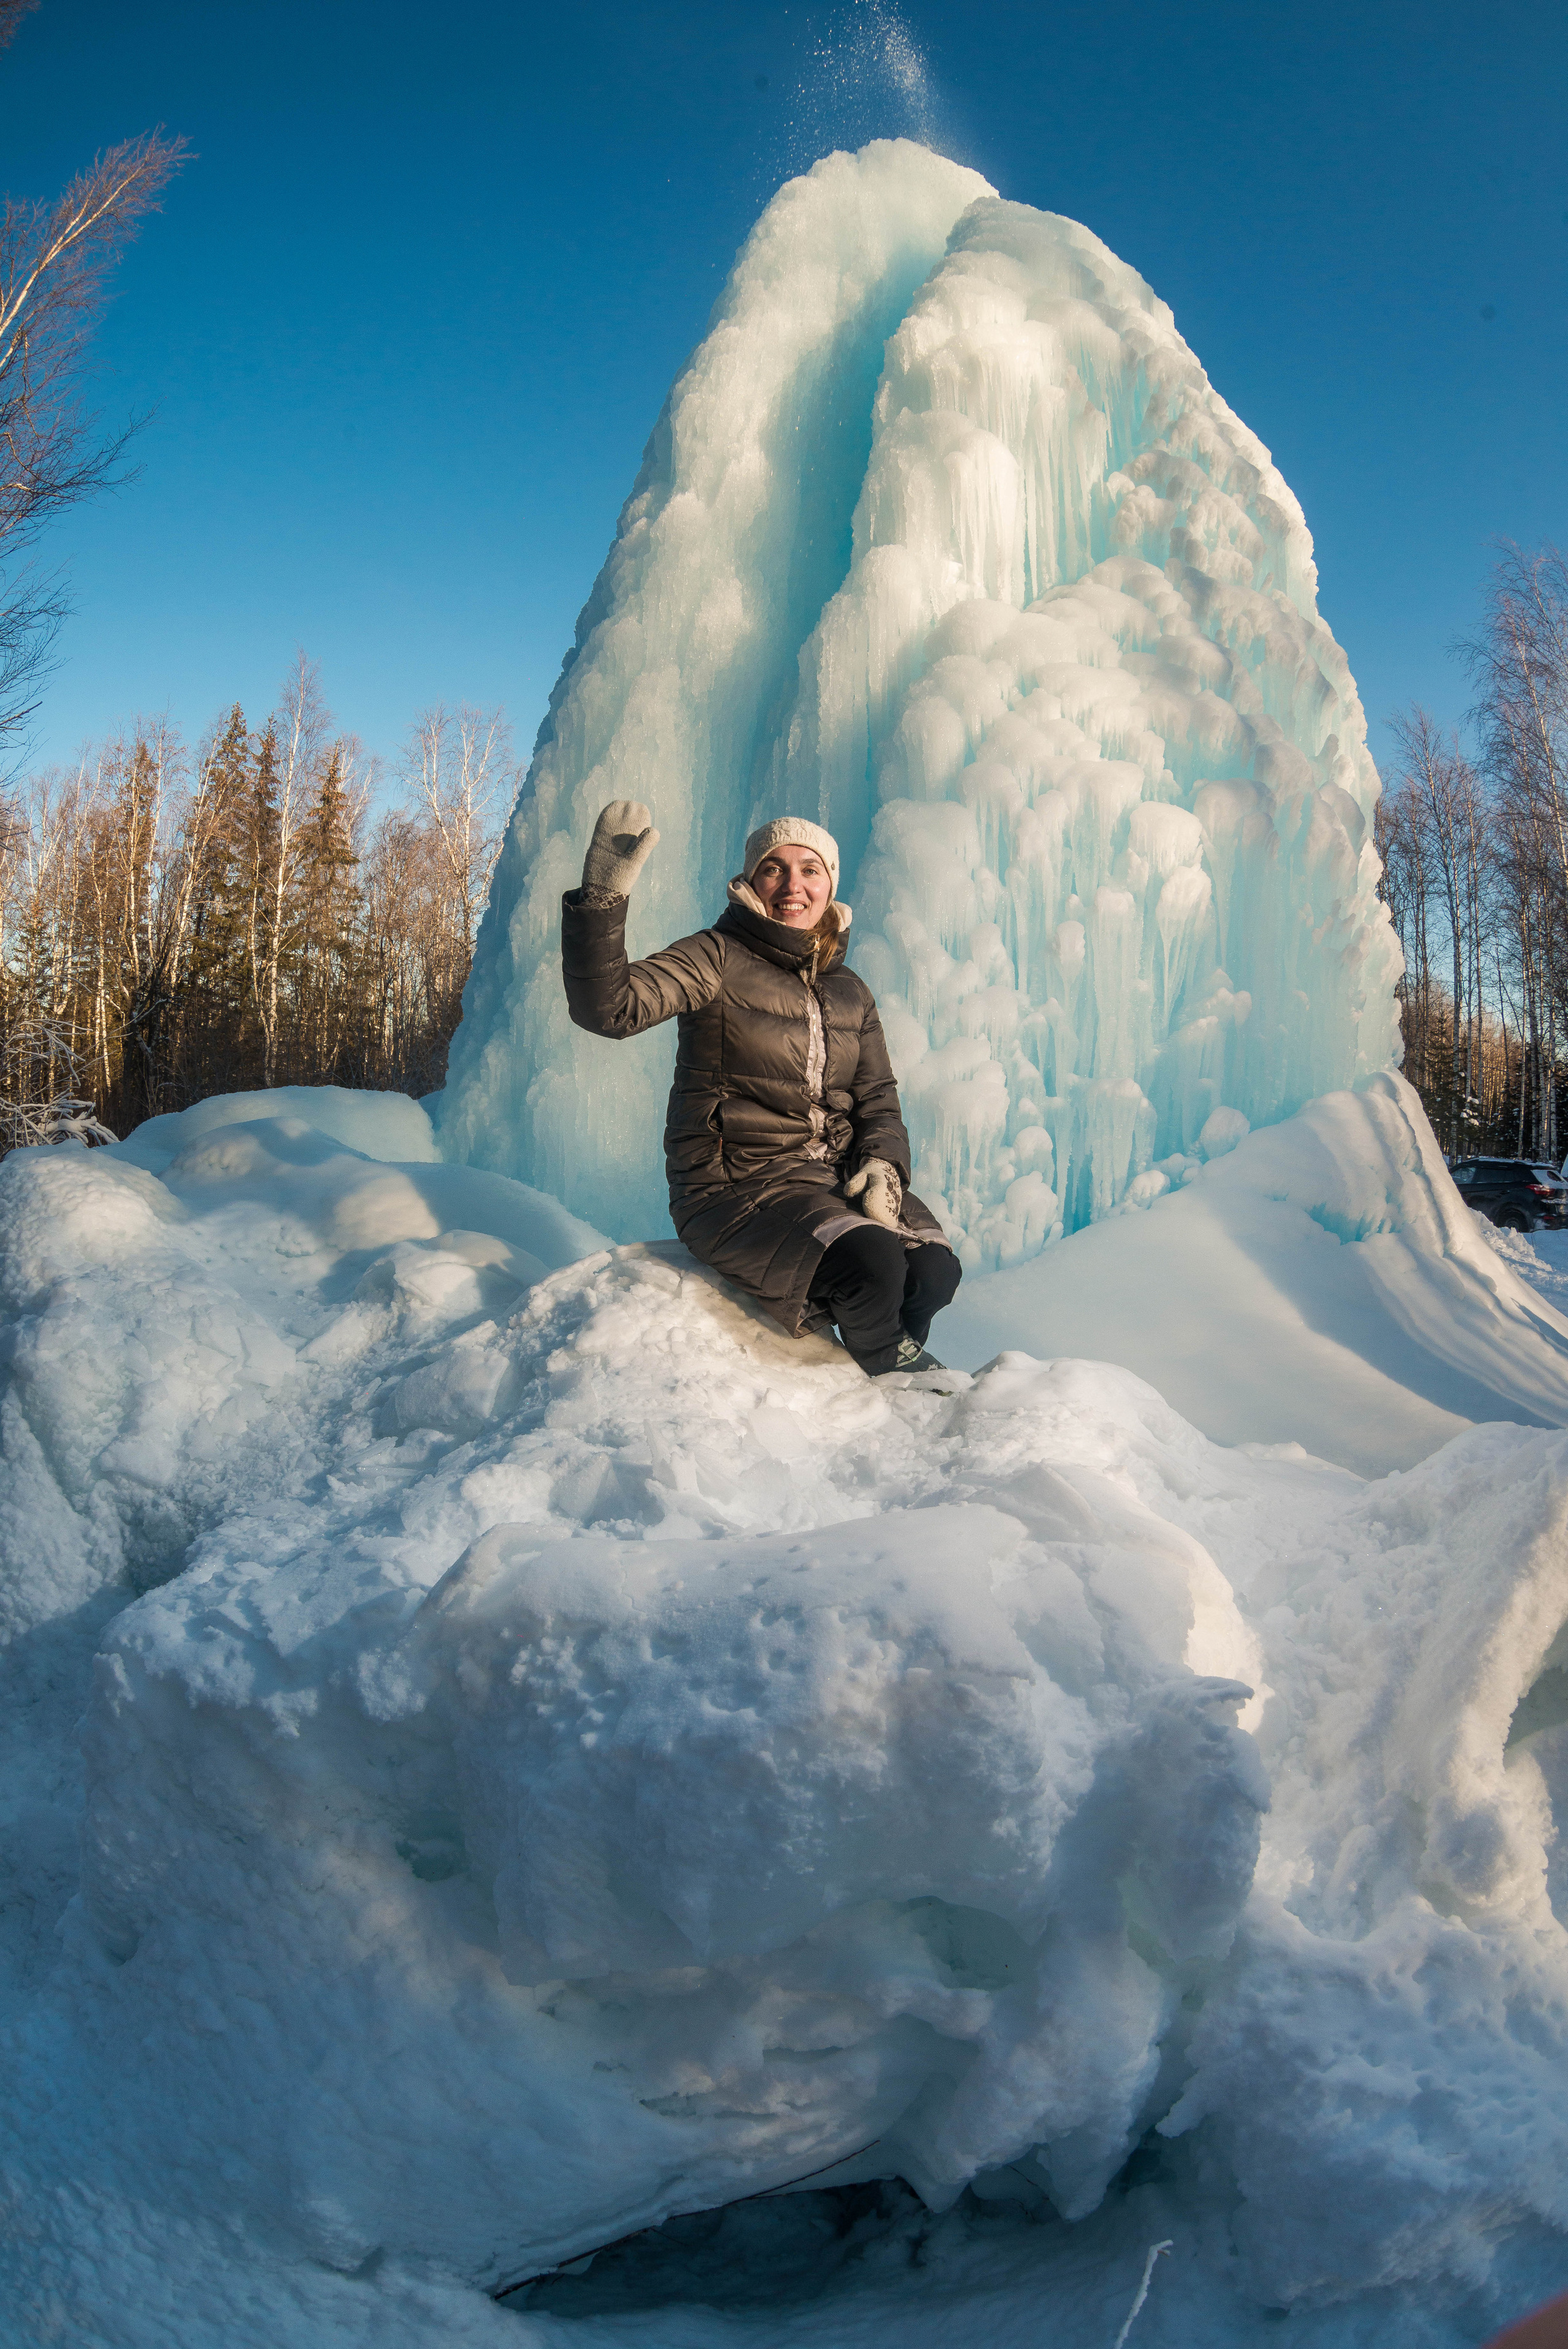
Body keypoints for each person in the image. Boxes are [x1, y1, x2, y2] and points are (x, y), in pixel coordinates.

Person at [560, 799, 962, 1378]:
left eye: (810, 869)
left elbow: (878, 1096)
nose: (791, 885)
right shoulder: (717, 956)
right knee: (874, 1265)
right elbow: (610, 1007)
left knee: (935, 1273)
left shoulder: (850, 989)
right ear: (751, 880)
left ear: (829, 885)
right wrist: (601, 899)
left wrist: (882, 1165)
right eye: (774, 867)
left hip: (829, 1175)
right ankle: (885, 1371)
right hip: (732, 1183)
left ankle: (868, 1335)